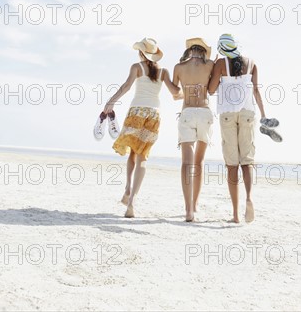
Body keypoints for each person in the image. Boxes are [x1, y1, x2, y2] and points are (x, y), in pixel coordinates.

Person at [103, 38, 179, 218]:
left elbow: (126, 87)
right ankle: (131, 200)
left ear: (141, 53)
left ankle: (128, 189)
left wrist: (111, 101)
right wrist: (192, 92)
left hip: (137, 112)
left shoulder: (137, 67)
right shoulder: (163, 72)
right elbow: (176, 92)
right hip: (154, 114)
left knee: (132, 153)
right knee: (142, 156)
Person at [208, 33, 267, 224]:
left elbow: (210, 90)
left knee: (232, 164)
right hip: (248, 112)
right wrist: (264, 115)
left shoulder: (220, 64)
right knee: (247, 161)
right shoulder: (252, 63)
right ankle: (249, 198)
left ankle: (235, 214)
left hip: (227, 114)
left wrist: (214, 66)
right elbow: (256, 91)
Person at [173, 38, 214, 222]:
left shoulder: (179, 67)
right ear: (204, 51)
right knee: (199, 162)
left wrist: (185, 91)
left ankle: (188, 210)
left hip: (187, 112)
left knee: (186, 163)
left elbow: (175, 95)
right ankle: (196, 205)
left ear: (189, 50)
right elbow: (212, 90)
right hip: (205, 113)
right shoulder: (211, 65)